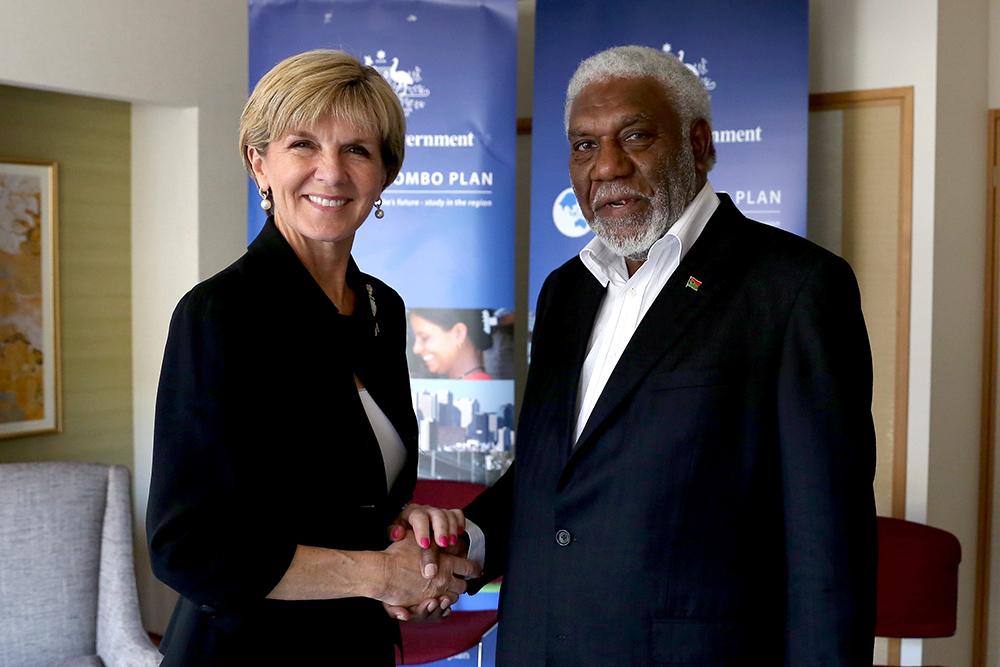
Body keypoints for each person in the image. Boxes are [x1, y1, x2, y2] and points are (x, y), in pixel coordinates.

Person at [399, 45, 877, 665]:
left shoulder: (794, 287)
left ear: (699, 144)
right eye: (583, 145)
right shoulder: (566, 289)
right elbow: (558, 473)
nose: (608, 166)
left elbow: (827, 544)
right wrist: (472, 540)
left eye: (636, 136)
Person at [147, 49, 478, 666]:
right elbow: (186, 546)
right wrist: (381, 576)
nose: (331, 172)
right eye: (303, 144)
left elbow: (343, 496)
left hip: (358, 646)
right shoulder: (219, 314)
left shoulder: (383, 307)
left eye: (357, 149)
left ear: (385, 174)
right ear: (259, 163)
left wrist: (407, 528)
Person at [409, 308, 494, 379]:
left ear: (459, 334)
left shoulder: (472, 392)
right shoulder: (473, 387)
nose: (416, 349)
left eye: (425, 338)